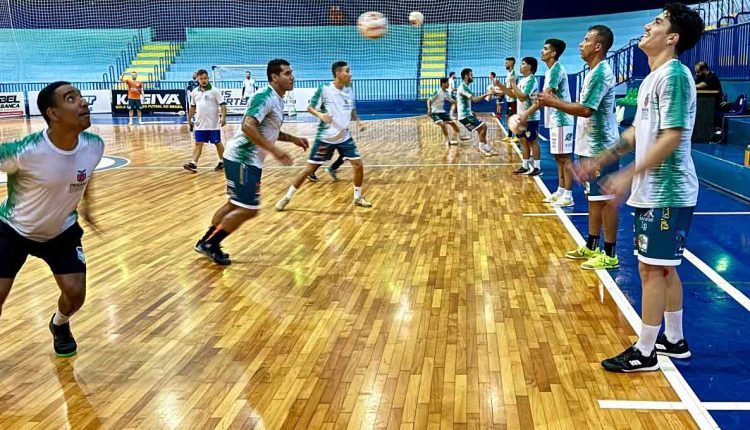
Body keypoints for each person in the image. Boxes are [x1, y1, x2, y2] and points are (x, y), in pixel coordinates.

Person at [572, 3, 704, 372]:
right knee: (663, 268)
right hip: (656, 190)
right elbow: (636, 132)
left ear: (672, 38)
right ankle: (674, 340)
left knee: (651, 270)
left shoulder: (674, 76)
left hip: (668, 191)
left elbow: (673, 137)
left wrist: (627, 174)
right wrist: (603, 158)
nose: (647, 26)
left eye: (657, 22)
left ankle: (646, 351)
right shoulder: (652, 78)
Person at [0, 81, 104, 357]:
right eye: (71, 98)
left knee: (75, 295)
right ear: (53, 113)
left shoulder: (94, 145)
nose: (82, 102)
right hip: (12, 231)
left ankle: (60, 324)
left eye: (81, 96)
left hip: (62, 232)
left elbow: (85, 173)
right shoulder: (26, 150)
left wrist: (87, 206)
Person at [193, 59, 309, 265]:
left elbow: (268, 130)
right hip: (242, 158)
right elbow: (248, 126)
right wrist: (274, 150)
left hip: (244, 159)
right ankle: (210, 244)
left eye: (291, 73)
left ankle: (206, 241)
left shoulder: (277, 99)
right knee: (248, 209)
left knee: (233, 204)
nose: (292, 77)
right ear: (274, 77)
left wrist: (292, 139)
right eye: (287, 73)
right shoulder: (264, 96)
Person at [538, 25, 620, 270]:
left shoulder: (600, 73)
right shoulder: (591, 71)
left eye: (586, 40)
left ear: (598, 46)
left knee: (605, 200)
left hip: (602, 150)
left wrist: (554, 102)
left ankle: (610, 252)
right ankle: (591, 245)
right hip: (588, 146)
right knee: (593, 199)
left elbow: (586, 109)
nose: (580, 44)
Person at [275, 61, 372, 211]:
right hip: (326, 138)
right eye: (347, 71)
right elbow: (309, 107)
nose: (350, 73)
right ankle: (287, 197)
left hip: (344, 137)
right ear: (338, 74)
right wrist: (321, 115)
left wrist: (358, 122)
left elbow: (351, 108)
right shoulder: (325, 90)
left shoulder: (349, 89)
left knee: (358, 165)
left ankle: (357, 197)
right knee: (308, 170)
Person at [520, 38, 574, 204]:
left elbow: (546, 97)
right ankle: (560, 190)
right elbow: (544, 97)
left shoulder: (556, 70)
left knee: (565, 159)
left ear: (553, 53)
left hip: (562, 119)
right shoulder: (550, 71)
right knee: (558, 158)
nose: (541, 52)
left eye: (545, 49)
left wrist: (526, 113)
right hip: (554, 119)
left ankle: (568, 195)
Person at [498, 57, 541, 175]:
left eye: (523, 64)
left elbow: (522, 96)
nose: (521, 66)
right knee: (523, 141)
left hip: (531, 117)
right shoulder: (522, 80)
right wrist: (501, 86)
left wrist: (512, 83)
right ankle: (525, 165)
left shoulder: (532, 80)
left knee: (532, 141)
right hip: (521, 117)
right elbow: (512, 93)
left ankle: (537, 167)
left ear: (530, 67)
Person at [183, 69, 227, 173]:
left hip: (213, 124)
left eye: (205, 78)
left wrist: (223, 117)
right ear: (197, 79)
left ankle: (223, 161)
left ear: (208, 78)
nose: (204, 80)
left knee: (217, 142)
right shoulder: (194, 92)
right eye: (201, 79)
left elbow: (223, 105)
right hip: (200, 124)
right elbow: (192, 107)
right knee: (198, 143)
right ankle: (193, 163)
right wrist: (189, 119)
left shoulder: (214, 91)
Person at [456, 68, 497, 156]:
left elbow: (466, 102)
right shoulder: (463, 87)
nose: (473, 76)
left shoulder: (465, 87)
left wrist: (471, 111)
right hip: (464, 116)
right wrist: (487, 93)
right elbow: (475, 100)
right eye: (471, 75)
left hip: (467, 114)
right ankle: (482, 147)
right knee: (483, 126)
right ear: (466, 76)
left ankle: (487, 148)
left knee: (481, 128)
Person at [428, 77, 459, 145]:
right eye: (448, 83)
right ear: (443, 83)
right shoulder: (437, 91)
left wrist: (458, 102)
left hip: (442, 112)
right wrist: (429, 110)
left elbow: (451, 100)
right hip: (435, 112)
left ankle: (460, 137)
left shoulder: (446, 92)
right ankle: (448, 140)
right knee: (442, 124)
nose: (449, 84)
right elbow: (429, 100)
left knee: (453, 123)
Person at [502, 57, 518, 142]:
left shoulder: (514, 74)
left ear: (512, 63)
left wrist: (502, 90)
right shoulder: (508, 74)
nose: (505, 64)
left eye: (507, 63)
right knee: (508, 117)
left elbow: (511, 87)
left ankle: (518, 135)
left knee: (514, 118)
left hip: (513, 99)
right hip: (508, 99)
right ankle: (509, 135)